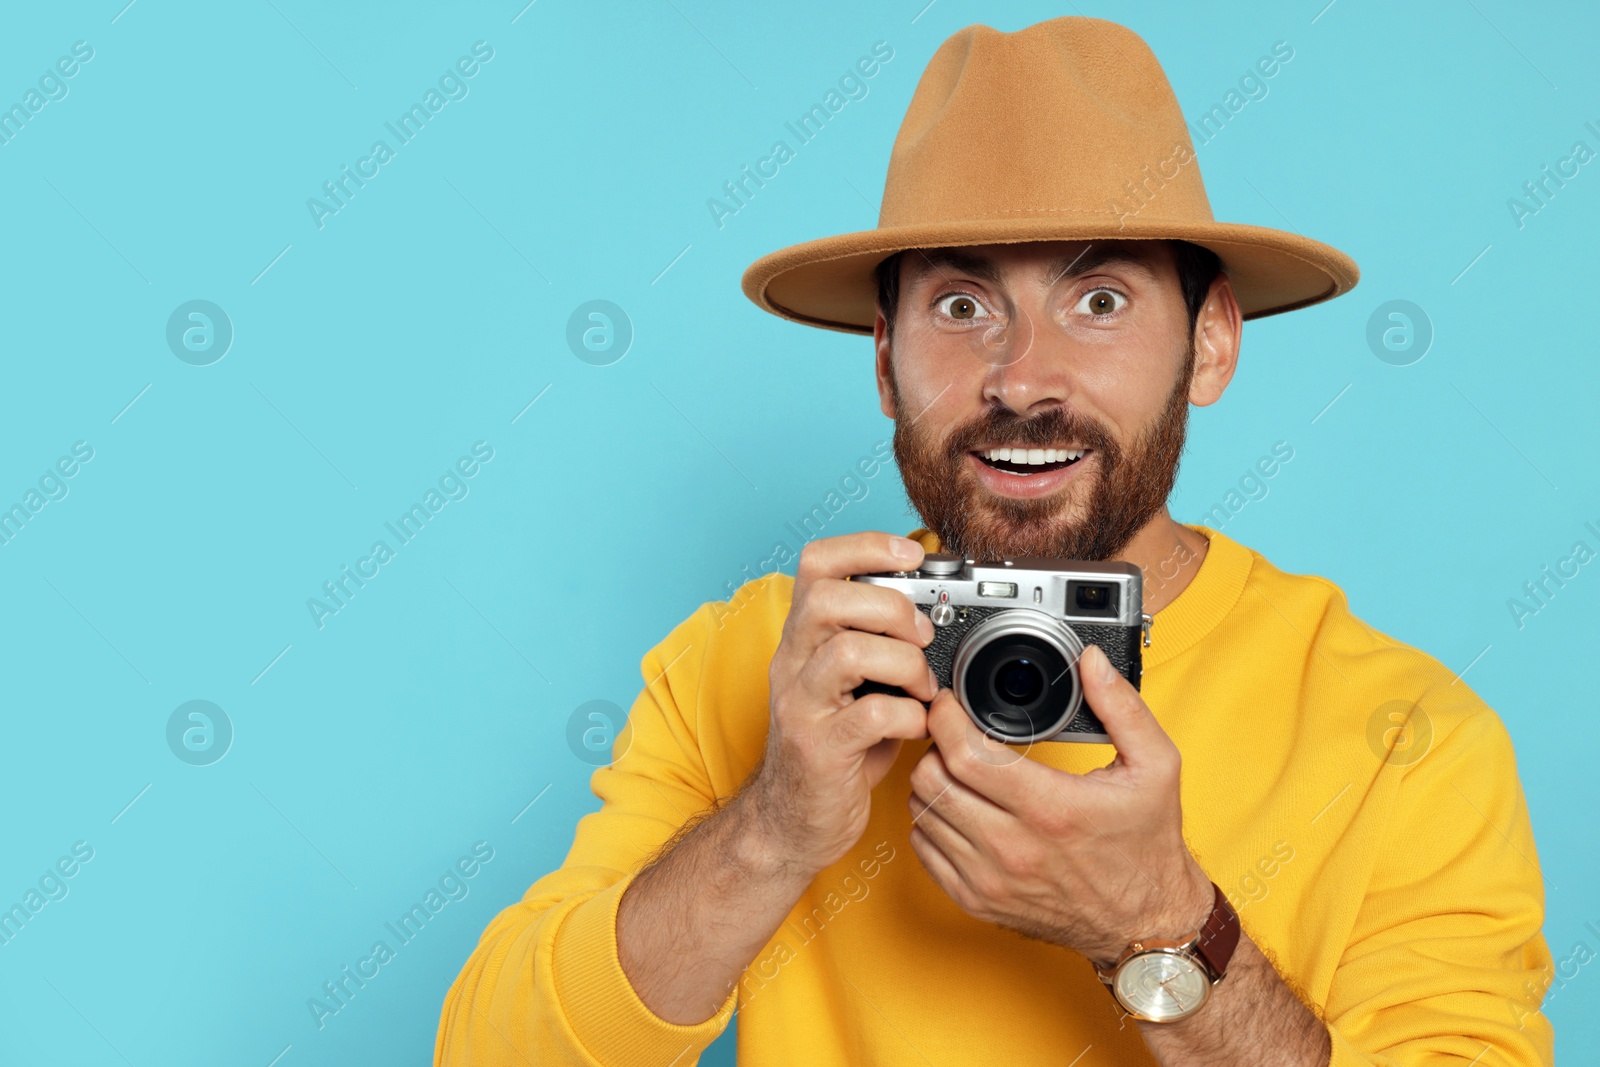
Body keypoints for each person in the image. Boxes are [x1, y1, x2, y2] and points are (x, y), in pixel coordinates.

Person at [435, 16, 1554, 1066]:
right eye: (962, 306)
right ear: (884, 361)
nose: (1023, 378)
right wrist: (770, 831)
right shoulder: (750, 669)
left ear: (1209, 344)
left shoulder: (1407, 738)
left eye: (1100, 301)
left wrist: (1160, 926)